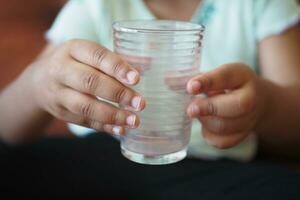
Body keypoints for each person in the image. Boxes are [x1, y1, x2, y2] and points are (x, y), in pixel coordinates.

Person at [1, 0, 300, 160]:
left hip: (212, 166)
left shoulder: (259, 3)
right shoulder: (94, 6)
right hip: (97, 157)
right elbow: (7, 127)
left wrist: (266, 105)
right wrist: (37, 85)